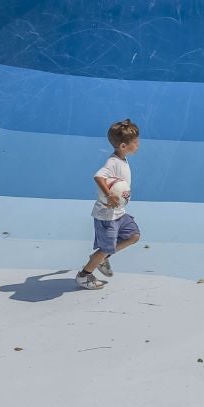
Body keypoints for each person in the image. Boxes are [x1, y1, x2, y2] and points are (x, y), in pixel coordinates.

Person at [77, 119, 141, 291]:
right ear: (123, 145)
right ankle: (84, 275)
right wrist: (109, 195)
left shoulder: (123, 159)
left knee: (133, 236)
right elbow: (98, 176)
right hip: (107, 215)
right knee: (106, 248)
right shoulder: (113, 162)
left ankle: (102, 258)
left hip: (119, 213)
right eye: (135, 142)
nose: (138, 144)